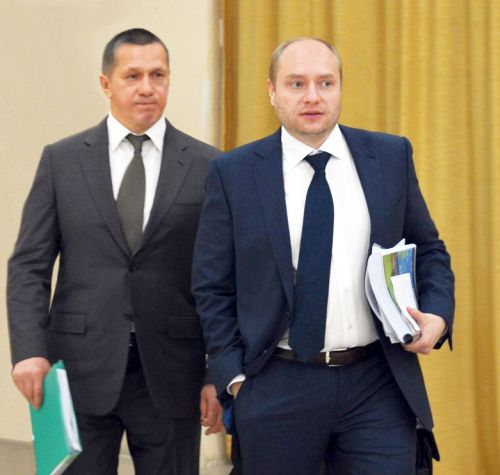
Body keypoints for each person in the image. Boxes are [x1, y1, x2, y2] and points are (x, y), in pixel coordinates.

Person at [192, 37, 454, 475]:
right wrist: (234, 379)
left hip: (376, 381)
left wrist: (438, 315)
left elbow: (429, 250)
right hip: (277, 381)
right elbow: (212, 284)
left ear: (340, 88)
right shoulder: (233, 173)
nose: (312, 96)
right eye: (296, 83)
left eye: (325, 83)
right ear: (272, 91)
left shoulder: (389, 156)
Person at [7, 28, 223, 475]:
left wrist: (215, 371)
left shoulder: (210, 166)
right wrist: (28, 349)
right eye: (133, 75)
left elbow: (226, 277)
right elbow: (29, 265)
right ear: (106, 83)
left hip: (172, 374)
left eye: (158, 75)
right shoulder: (62, 161)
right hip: (76, 371)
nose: (147, 87)